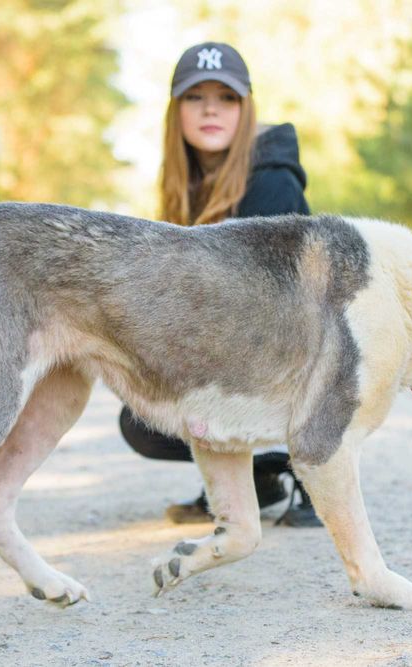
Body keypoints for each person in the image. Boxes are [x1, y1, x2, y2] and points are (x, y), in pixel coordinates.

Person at [119, 41, 321, 528]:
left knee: (169, 396)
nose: (211, 108)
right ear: (176, 111)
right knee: (141, 418)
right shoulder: (186, 187)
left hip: (298, 355)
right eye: (195, 97)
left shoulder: (273, 184)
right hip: (237, 348)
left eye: (226, 97)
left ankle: (313, 473)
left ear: (245, 108)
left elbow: (281, 310)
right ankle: (255, 477)